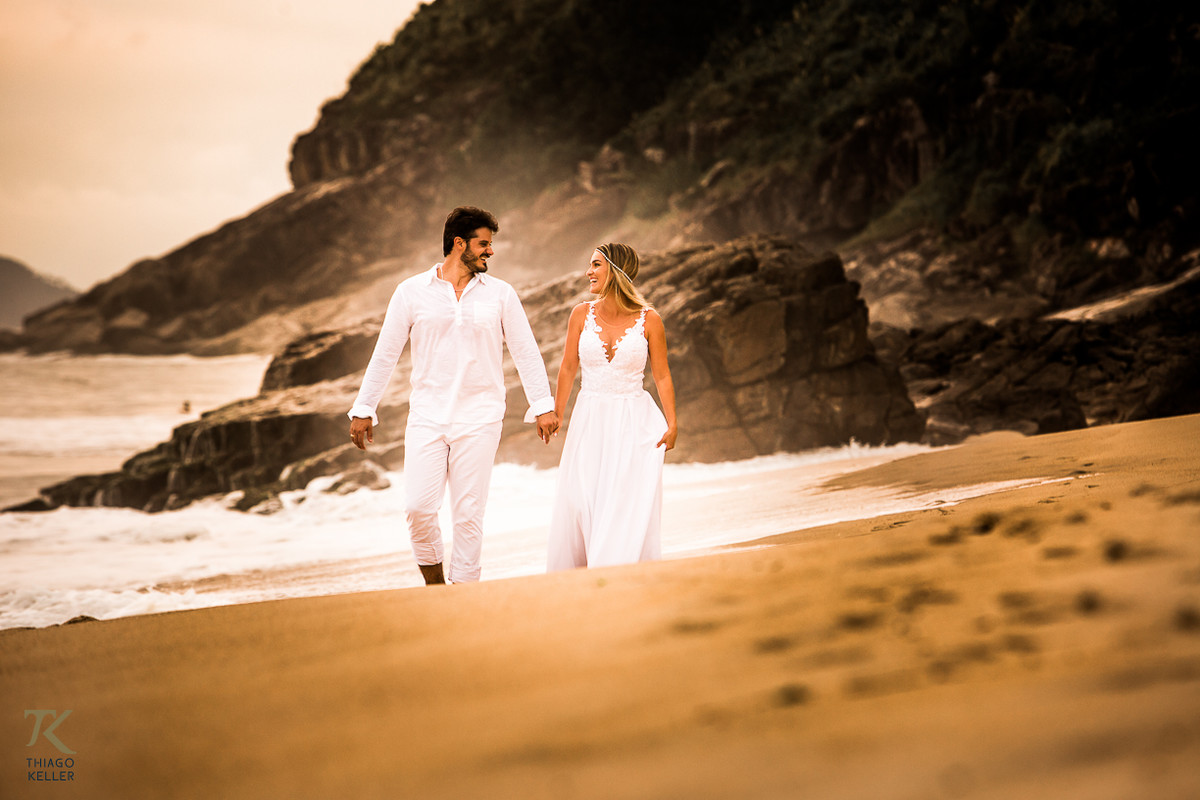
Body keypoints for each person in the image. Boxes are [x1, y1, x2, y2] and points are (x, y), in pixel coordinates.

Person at [348, 206, 560, 585]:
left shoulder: (501, 294)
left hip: (481, 416)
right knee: (418, 508)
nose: (490, 251)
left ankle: (464, 591)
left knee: (467, 513)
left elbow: (526, 351)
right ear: (458, 243)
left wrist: (543, 405)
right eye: (483, 243)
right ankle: (435, 585)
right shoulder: (410, 292)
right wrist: (364, 408)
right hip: (427, 416)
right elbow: (386, 352)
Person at [547, 243, 677, 570]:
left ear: (615, 270)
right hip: (589, 417)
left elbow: (661, 374)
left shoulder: (650, 320)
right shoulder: (580, 314)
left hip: (634, 420)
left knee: (622, 496)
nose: (588, 272)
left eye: (595, 265)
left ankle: (615, 564)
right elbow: (567, 367)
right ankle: (582, 565)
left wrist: (673, 424)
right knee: (581, 496)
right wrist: (557, 412)